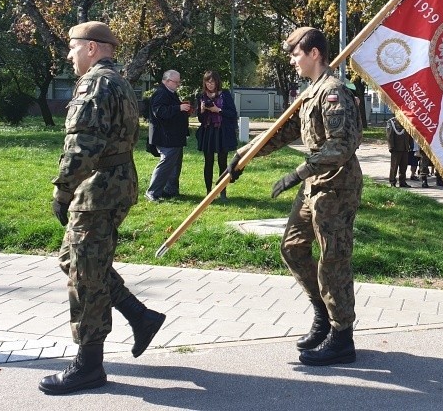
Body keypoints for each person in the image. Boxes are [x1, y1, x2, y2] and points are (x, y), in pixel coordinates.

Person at [41, 21, 166, 395]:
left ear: (92, 47)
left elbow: (82, 144)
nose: (69, 54)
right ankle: (140, 316)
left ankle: (89, 364)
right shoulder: (121, 81)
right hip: (116, 183)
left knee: (85, 275)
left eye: (73, 46)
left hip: (98, 189)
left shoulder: (95, 83)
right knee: (76, 260)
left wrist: (63, 191)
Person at [225, 27, 363, 366]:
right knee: (292, 246)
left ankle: (342, 337)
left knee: (333, 258)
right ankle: (324, 316)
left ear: (314, 53)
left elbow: (343, 145)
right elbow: (285, 131)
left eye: (296, 54)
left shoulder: (334, 93)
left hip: (336, 185)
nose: (292, 60)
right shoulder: (311, 92)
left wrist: (297, 173)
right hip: (315, 184)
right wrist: (246, 154)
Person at [145, 70, 190, 202]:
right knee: (166, 163)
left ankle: (171, 190)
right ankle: (152, 192)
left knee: (175, 164)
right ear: (166, 81)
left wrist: (181, 109)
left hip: (174, 136)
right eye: (176, 82)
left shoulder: (170, 93)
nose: (178, 84)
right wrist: (179, 108)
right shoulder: (161, 93)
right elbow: (159, 112)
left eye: (178, 82)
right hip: (166, 137)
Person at [195, 70, 238, 200]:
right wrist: (202, 111)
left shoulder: (225, 94)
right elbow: (200, 119)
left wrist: (217, 110)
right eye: (207, 82)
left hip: (222, 132)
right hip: (208, 132)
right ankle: (208, 191)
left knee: (222, 162)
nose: (210, 84)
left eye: (212, 81)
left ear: (217, 82)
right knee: (208, 162)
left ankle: (222, 192)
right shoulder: (201, 96)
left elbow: (232, 114)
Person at [386, 114, 412, 187]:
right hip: (396, 148)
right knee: (394, 166)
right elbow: (389, 135)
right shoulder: (391, 122)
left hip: (405, 147)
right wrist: (391, 147)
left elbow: (409, 134)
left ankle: (402, 182)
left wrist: (410, 144)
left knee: (404, 166)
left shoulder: (406, 121)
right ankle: (392, 182)